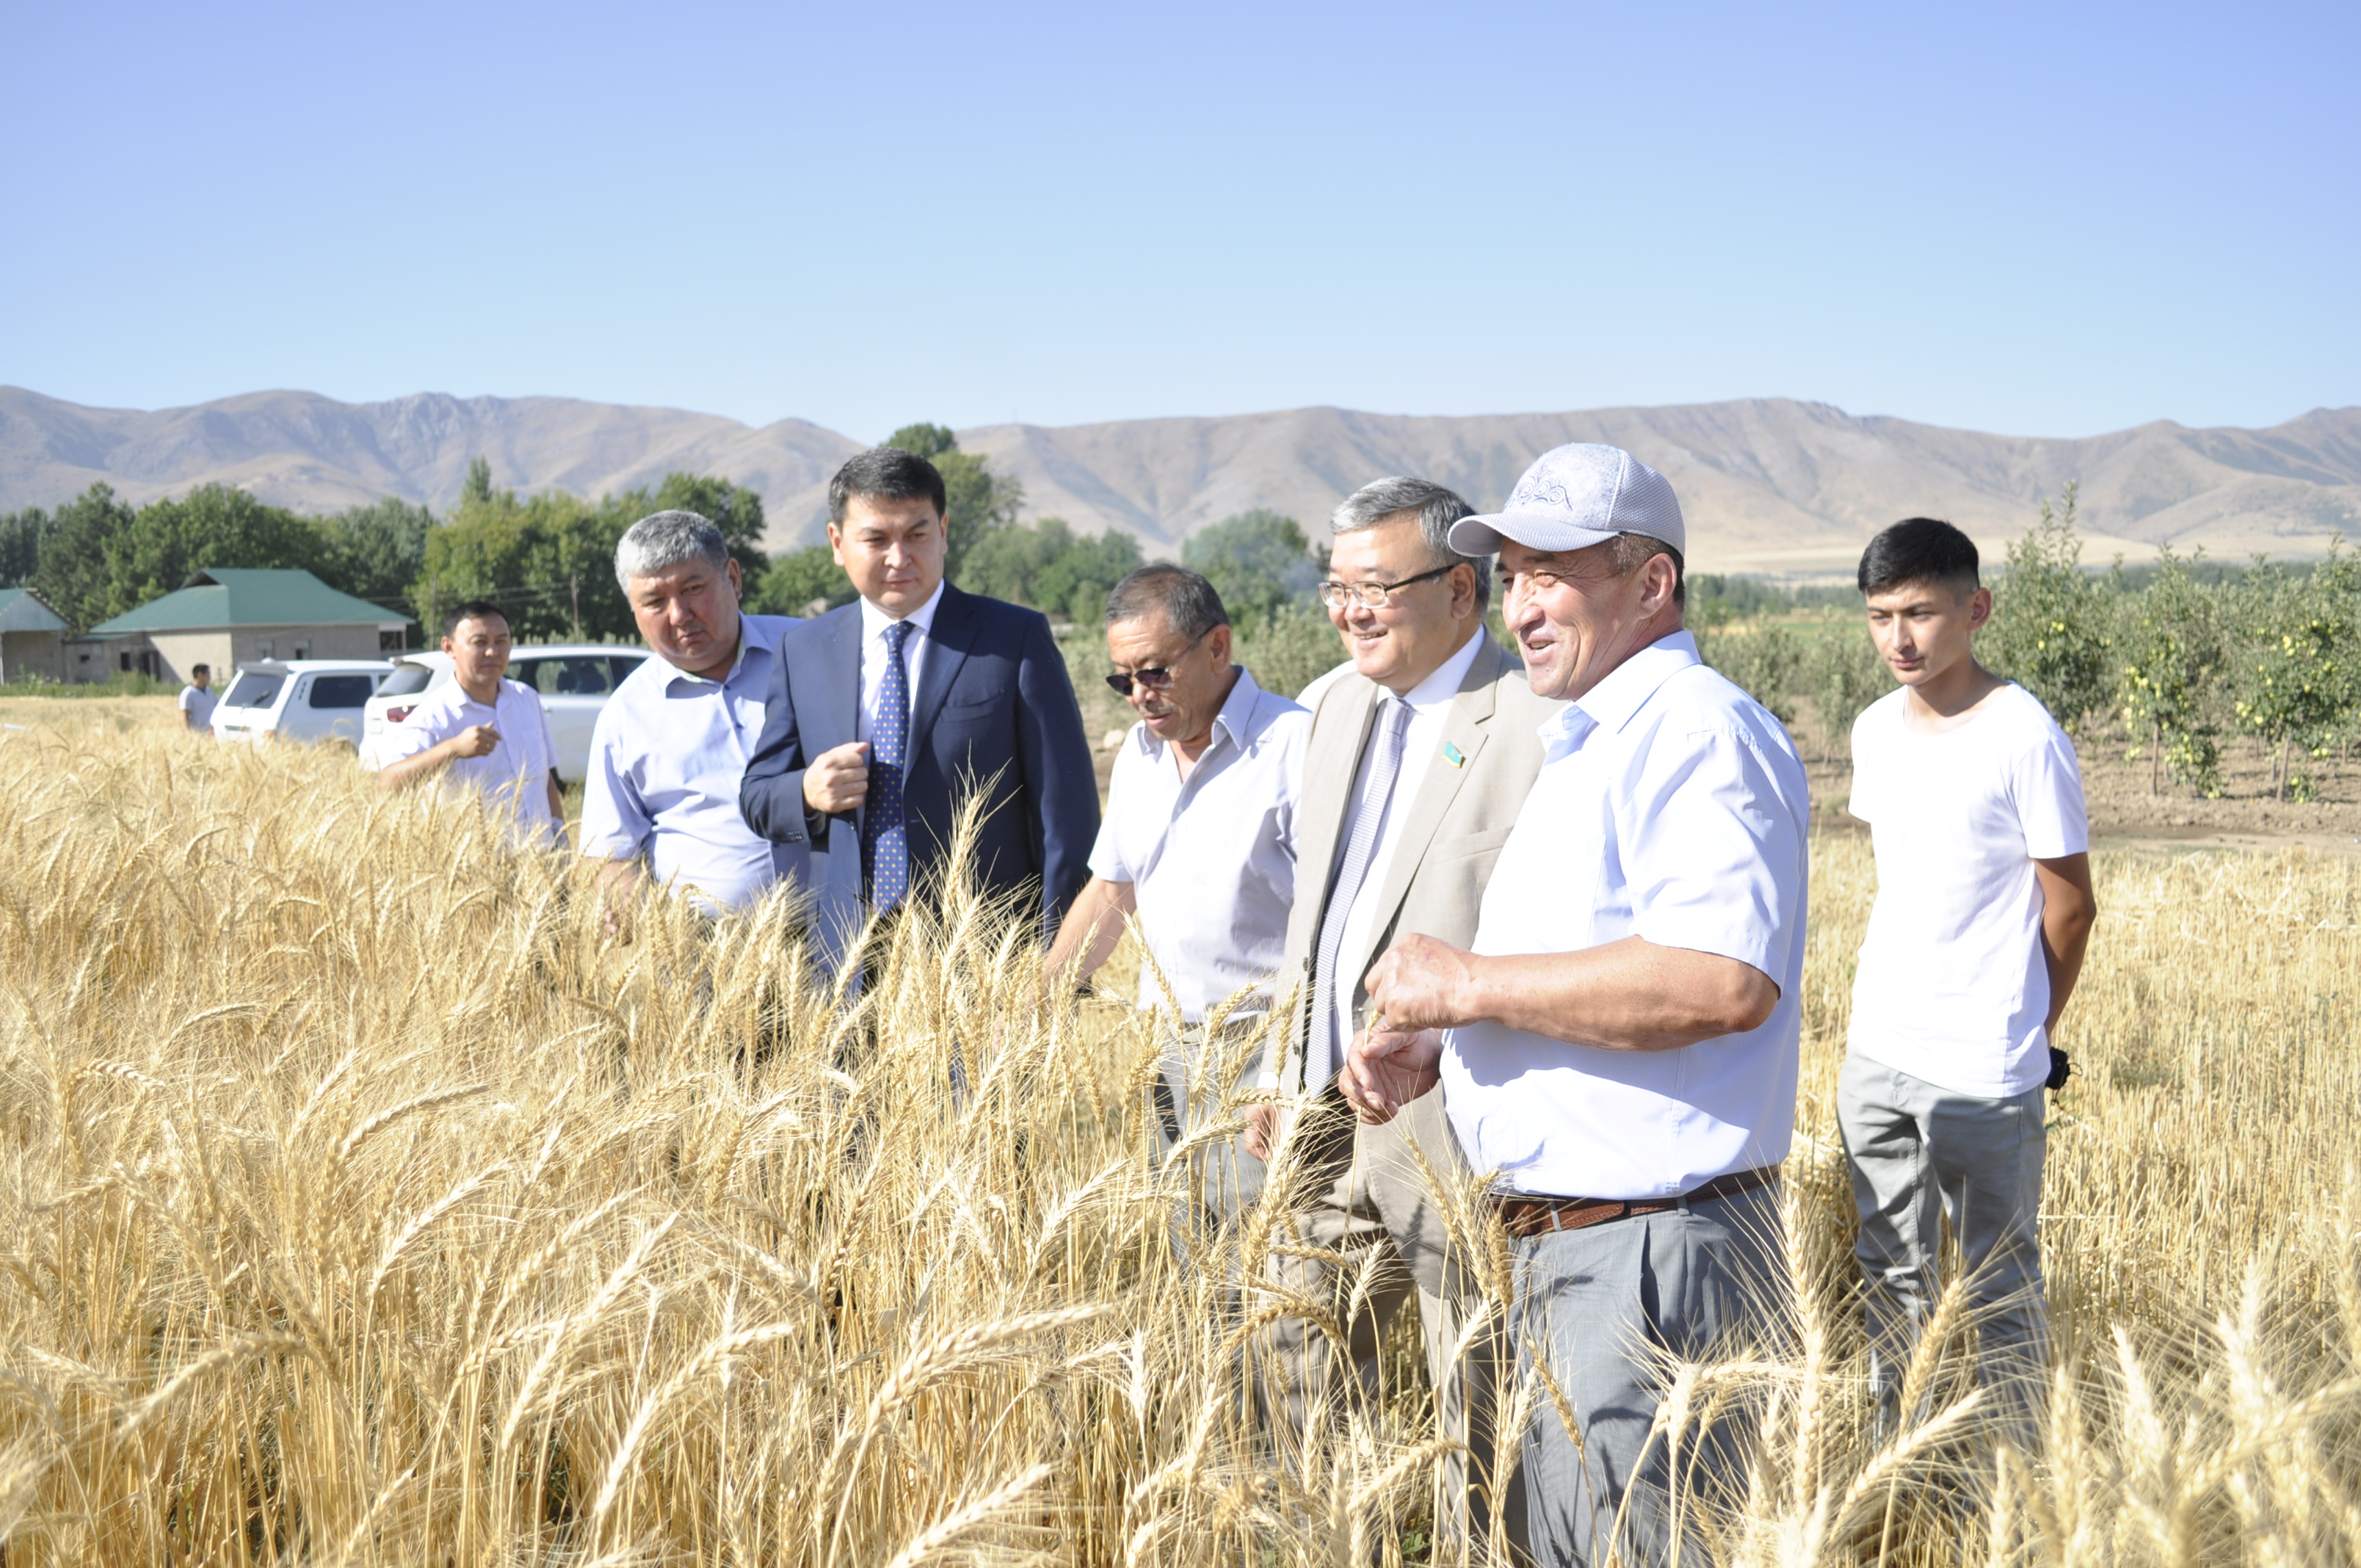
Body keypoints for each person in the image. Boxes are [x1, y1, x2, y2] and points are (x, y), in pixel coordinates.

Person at [1346, 444, 1810, 1568]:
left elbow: (1721, 980)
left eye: (1552, 573)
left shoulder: (1695, 729)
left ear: (1651, 585)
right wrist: (1454, 1038)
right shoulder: (1601, 738)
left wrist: (1467, 984)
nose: (1522, 606)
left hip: (1652, 1261)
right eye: (1510, 576)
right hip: (1581, 1256)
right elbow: (1602, 972)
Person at [1245, 475, 1554, 1547]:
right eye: (1336, 587)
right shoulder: (1334, 705)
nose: (1349, 610)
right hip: (1319, 1115)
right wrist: (1282, 1079)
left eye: (1375, 587)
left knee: (1472, 1396)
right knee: (1305, 1386)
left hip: (1447, 1132)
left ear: (1460, 590)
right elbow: (1314, 919)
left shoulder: (1528, 721)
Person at [1839, 517, 2097, 1448]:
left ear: (1974, 609)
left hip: (1985, 1065)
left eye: (1921, 612)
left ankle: (2015, 1494)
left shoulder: (2024, 735)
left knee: (1997, 1283)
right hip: (1877, 1049)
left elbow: (2068, 907)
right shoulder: (1874, 730)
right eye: (1879, 616)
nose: (1899, 638)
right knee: (1887, 1270)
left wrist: (2026, 1026)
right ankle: (1893, 1464)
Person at [739, 446, 1100, 973]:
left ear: (945, 530)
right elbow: (758, 795)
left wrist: (1059, 972)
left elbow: (1065, 819)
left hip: (982, 962)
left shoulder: (1013, 639)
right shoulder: (804, 650)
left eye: (917, 534)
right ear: (838, 543)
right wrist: (807, 792)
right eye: (876, 539)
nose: (899, 557)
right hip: (849, 965)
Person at [1042, 564, 1308, 1227]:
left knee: (1262, 1261)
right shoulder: (1139, 756)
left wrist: (1287, 1069)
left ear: (1217, 646)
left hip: (1261, 1051)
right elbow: (1113, 889)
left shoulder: (1296, 747)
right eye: (1122, 679)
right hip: (1164, 1055)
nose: (1138, 694)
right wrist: (1040, 995)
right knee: (1189, 1263)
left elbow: (1330, 919)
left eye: (1155, 671)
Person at [581, 510, 807, 918]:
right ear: (632, 609)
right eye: (654, 601)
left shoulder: (814, 650)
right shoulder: (625, 716)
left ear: (733, 579)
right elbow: (609, 853)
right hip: (708, 956)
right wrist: (632, 908)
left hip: (844, 935)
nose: (680, 615)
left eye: (693, 588)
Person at [377, 601, 565, 847]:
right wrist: (452, 749)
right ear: (449, 647)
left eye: (501, 641)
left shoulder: (526, 698)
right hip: (480, 869)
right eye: (479, 642)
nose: (492, 652)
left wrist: (561, 841)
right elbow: (387, 784)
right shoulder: (434, 716)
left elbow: (545, 778)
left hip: (541, 861)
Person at [178, 664, 217, 734]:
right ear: (200, 675)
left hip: (210, 734)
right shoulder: (188, 693)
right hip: (197, 734)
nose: (209, 677)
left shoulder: (209, 692)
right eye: (208, 674)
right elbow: (185, 715)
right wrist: (188, 733)